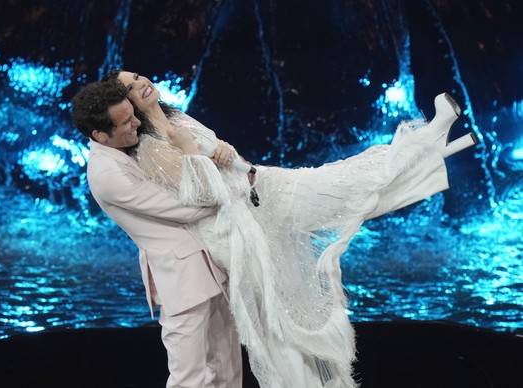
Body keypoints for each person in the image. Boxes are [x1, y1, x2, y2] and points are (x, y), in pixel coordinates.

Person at [105, 70, 476, 388]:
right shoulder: (152, 147)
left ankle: (431, 145)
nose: (143, 84)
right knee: (285, 306)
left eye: (139, 76)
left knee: (344, 188)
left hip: (259, 187)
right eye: (133, 87)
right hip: (241, 220)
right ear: (128, 106)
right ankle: (431, 146)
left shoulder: (177, 116)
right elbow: (200, 192)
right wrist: (198, 153)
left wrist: (228, 155)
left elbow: (223, 155)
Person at [70, 81, 243, 388]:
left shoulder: (125, 147)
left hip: (209, 268)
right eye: (125, 122)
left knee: (226, 369)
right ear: (99, 135)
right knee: (188, 378)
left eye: (132, 114)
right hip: (182, 279)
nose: (136, 121)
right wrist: (225, 194)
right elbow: (183, 209)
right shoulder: (107, 173)